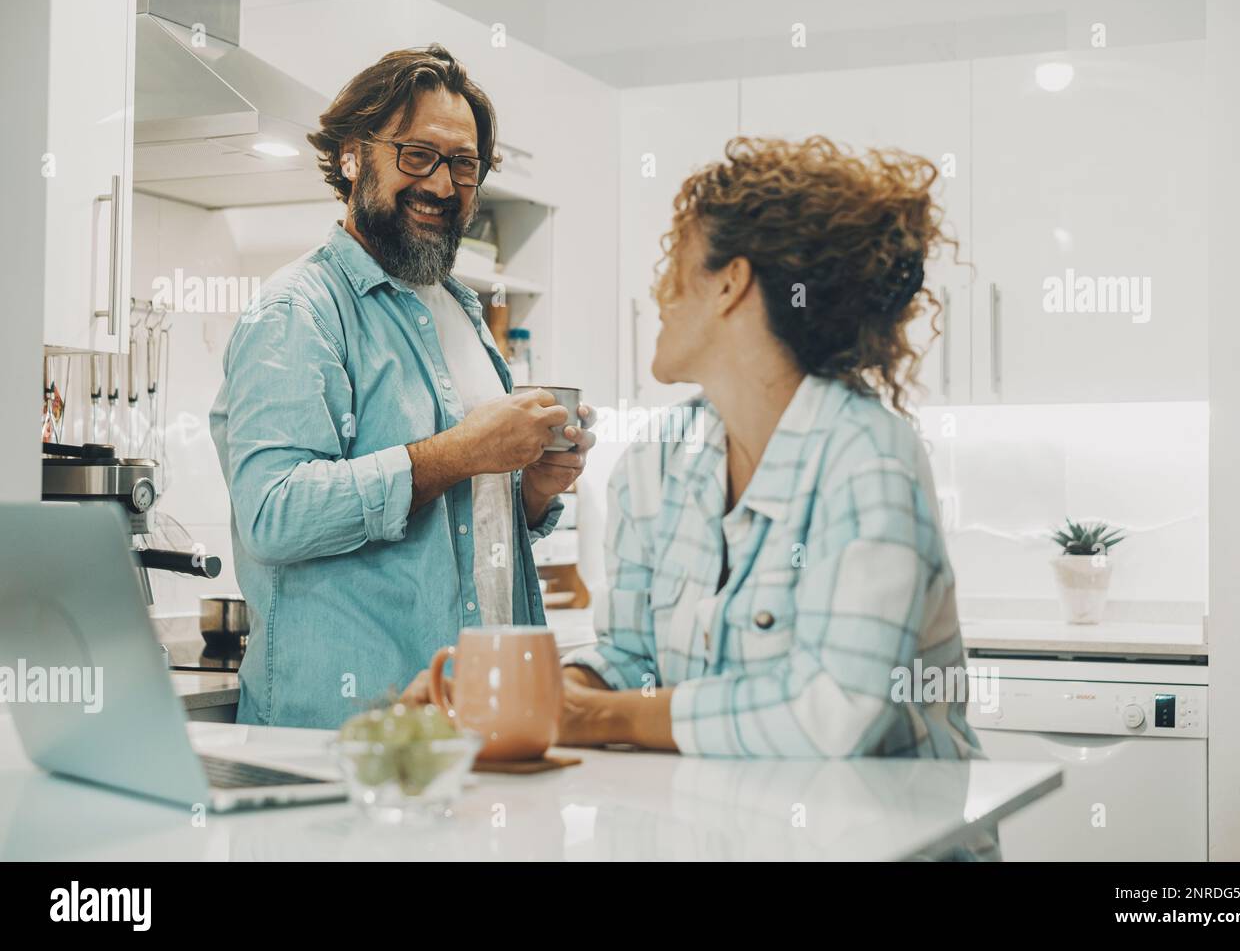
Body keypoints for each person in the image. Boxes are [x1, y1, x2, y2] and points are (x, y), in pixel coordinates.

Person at [555, 135, 987, 770]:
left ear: (731, 284)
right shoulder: (654, 462)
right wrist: (561, 689)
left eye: (675, 262)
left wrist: (593, 718)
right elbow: (632, 659)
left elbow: (835, 713)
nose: (658, 294)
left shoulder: (867, 458)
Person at [210, 44, 594, 729]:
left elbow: (463, 533)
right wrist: (461, 453)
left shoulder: (462, 308)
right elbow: (273, 515)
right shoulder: (299, 310)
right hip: (345, 738)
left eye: (464, 165)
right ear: (354, 156)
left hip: (469, 725)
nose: (443, 186)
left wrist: (530, 492)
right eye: (417, 155)